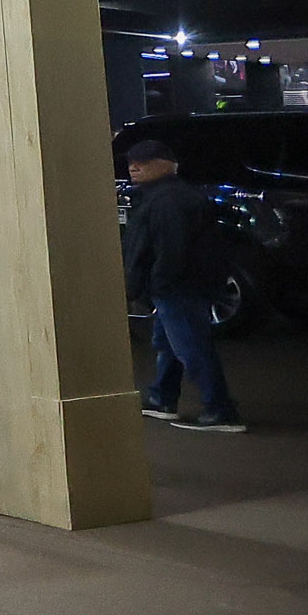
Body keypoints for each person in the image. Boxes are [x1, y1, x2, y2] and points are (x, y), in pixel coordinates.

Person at [123, 140, 245, 432]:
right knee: (168, 342)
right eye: (131, 162)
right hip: (180, 285)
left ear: (167, 165)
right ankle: (162, 399)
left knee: (192, 347)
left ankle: (221, 411)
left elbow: (171, 249)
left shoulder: (168, 200)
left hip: (179, 287)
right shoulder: (166, 196)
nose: (134, 167)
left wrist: (157, 283)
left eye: (143, 161)